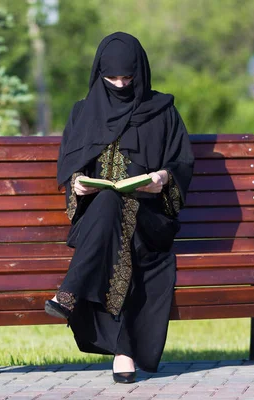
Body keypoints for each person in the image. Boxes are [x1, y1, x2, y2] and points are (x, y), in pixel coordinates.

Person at [45, 31, 195, 383]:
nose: (120, 84)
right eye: (112, 78)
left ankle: (70, 293)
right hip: (97, 222)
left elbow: (181, 166)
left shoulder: (163, 112)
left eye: (128, 78)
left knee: (119, 212)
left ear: (139, 74)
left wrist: (163, 179)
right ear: (100, 74)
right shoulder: (83, 113)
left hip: (149, 221)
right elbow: (70, 170)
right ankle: (123, 352)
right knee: (109, 200)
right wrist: (78, 185)